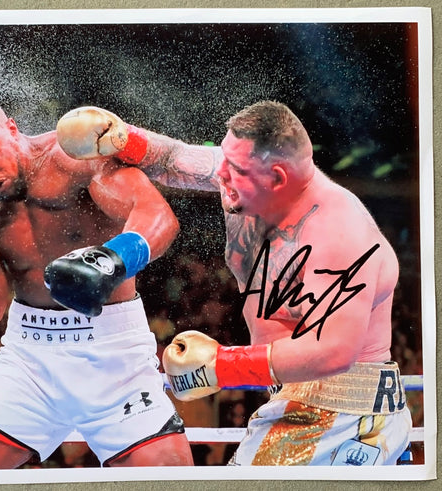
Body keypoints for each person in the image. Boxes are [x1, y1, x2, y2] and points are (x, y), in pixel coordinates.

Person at [56, 101, 412, 466]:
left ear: (277, 177)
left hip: (342, 412)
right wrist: (121, 138)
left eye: (235, 168)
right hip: (302, 399)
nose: (220, 173)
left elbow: (334, 351)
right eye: (225, 158)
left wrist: (221, 366)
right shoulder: (245, 180)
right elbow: (173, 158)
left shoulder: (339, 230)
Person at [0, 92, 194, 469]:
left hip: (114, 356)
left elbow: (157, 215)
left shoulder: (75, 157)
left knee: (168, 477)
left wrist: (112, 259)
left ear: (11, 128)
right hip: (29, 360)